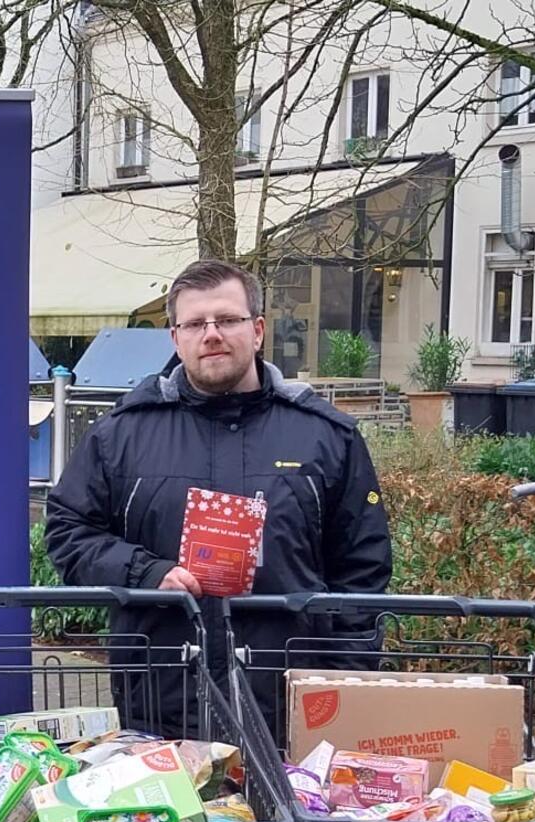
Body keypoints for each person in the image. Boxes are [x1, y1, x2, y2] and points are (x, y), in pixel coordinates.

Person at [46, 259, 392, 736]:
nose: (211, 334)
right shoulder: (121, 436)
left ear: (258, 330)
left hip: (289, 706)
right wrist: (146, 572)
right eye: (195, 324)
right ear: (175, 338)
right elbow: (69, 532)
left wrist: (344, 685)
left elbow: (362, 570)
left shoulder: (326, 437)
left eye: (227, 319)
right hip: (161, 703)